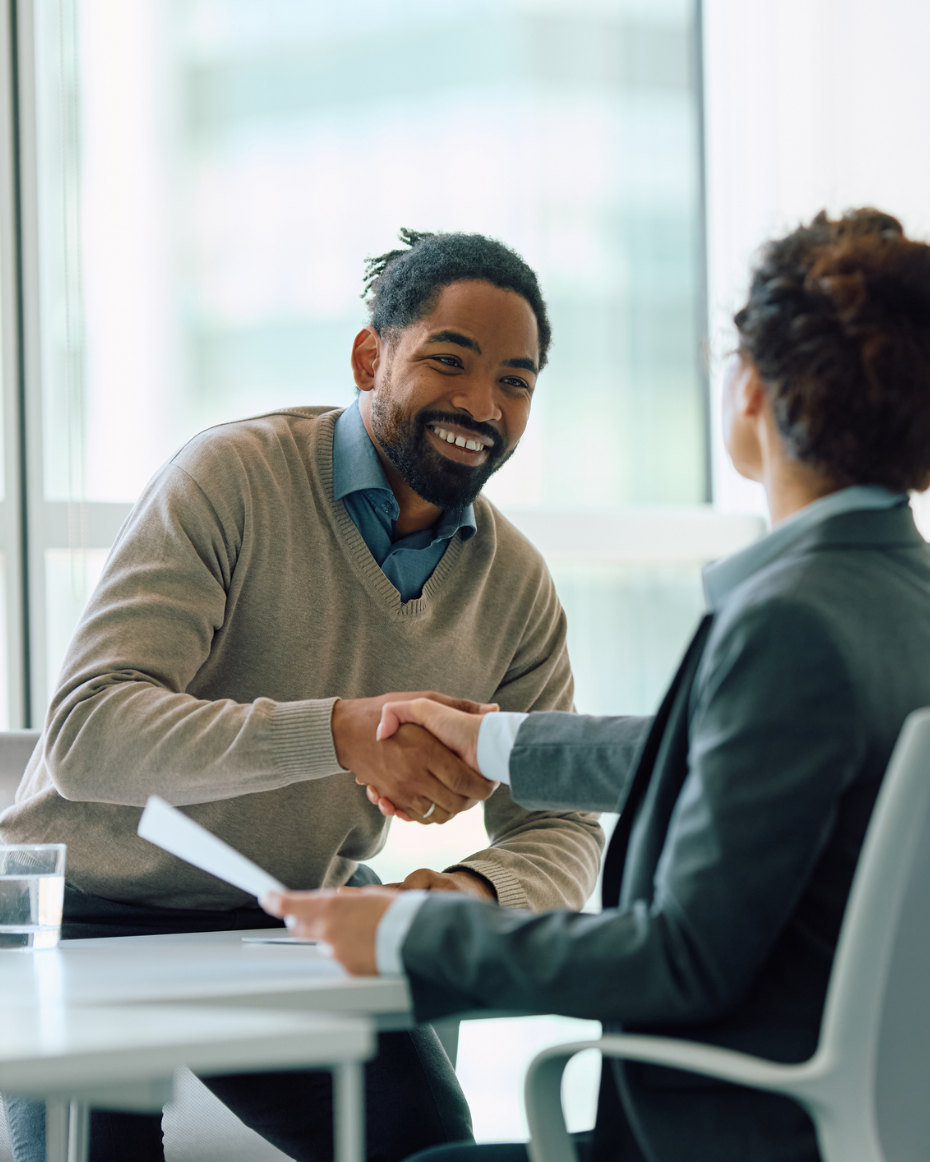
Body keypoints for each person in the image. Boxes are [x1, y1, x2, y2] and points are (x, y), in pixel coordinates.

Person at [261, 208, 930, 1162]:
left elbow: (678, 960)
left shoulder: (792, 623)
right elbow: (730, 749)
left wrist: (412, 934)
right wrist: (496, 741)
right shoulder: (899, 599)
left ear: (755, 391)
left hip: (719, 1136)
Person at [0, 228, 604, 1162]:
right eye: (449, 361)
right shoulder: (231, 478)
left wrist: (471, 888)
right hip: (81, 920)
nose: (481, 406)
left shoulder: (514, 583)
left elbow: (560, 823)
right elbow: (88, 731)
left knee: (428, 1148)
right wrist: (338, 732)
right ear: (370, 357)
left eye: (514, 382)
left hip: (283, 920)